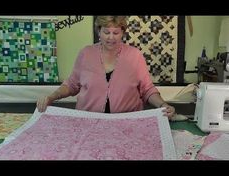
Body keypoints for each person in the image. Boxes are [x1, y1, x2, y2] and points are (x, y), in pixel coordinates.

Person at [37, 16, 175, 119]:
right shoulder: (86, 54)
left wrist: (163, 105)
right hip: (88, 120)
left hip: (127, 122)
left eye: (116, 33)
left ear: (123, 33)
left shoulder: (135, 56)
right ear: (99, 32)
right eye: (106, 32)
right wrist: (51, 97)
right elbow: (72, 85)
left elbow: (147, 89)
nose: (111, 38)